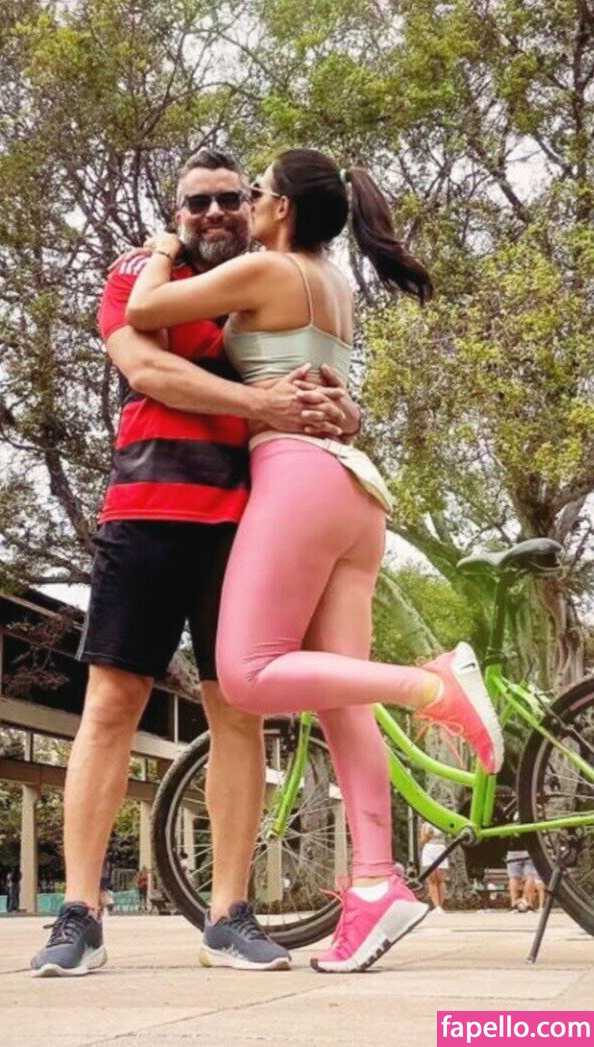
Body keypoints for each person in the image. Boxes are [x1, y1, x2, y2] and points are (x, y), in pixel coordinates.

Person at [126, 147, 505, 974]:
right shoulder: (332, 281)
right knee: (340, 700)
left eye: (257, 192)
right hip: (352, 491)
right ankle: (373, 885)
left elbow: (144, 308)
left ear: (283, 210)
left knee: (248, 673)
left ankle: (430, 685)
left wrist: (159, 248)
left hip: (295, 476)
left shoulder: (269, 268)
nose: (250, 203)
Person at [30, 148, 358, 978]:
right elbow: (145, 367)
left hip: (246, 524)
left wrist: (339, 409)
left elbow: (313, 384)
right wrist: (258, 401)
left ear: (254, 207)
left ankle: (229, 914)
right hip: (144, 512)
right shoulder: (136, 275)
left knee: (236, 711)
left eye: (229, 198)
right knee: (111, 704)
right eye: (196, 202)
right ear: (176, 213)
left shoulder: (270, 286)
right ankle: (78, 913)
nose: (214, 212)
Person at [419, 822, 449, 912]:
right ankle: (436, 906)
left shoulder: (442, 822)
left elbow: (448, 835)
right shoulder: (425, 825)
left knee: (440, 879)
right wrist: (428, 835)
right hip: (429, 849)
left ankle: (440, 905)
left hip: (440, 848)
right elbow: (423, 840)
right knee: (432, 879)